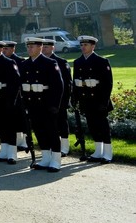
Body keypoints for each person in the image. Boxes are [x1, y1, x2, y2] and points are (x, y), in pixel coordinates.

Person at [20, 37, 64, 172]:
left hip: (46, 103)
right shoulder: (24, 64)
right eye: (28, 47)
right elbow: (22, 86)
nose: (29, 49)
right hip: (32, 103)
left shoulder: (50, 63)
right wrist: (24, 104)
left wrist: (55, 105)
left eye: (32, 47)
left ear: (40, 47)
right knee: (39, 131)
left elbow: (58, 86)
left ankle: (56, 160)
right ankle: (45, 157)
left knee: (52, 131)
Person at [73, 35, 114, 163]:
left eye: (86, 45)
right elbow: (76, 82)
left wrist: (104, 102)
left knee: (103, 126)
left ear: (93, 46)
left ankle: (107, 153)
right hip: (86, 100)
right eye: (81, 45)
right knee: (92, 126)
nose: (83, 47)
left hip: (99, 99)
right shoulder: (78, 62)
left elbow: (108, 84)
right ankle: (98, 151)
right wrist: (75, 98)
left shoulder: (101, 61)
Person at [42, 39, 72, 155]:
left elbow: (67, 83)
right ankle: (53, 146)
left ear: (52, 48)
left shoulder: (61, 62)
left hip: (60, 99)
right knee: (49, 124)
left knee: (61, 123)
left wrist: (65, 100)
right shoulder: (41, 62)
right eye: (43, 47)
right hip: (46, 99)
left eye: (46, 47)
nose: (44, 49)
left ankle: (64, 146)